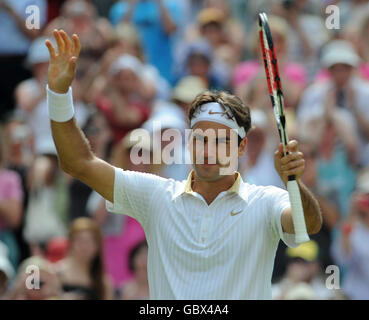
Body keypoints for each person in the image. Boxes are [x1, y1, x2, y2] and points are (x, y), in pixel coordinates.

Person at [45, 30, 322, 299]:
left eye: (221, 140)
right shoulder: (157, 195)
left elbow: (306, 224)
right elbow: (77, 163)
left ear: (241, 147)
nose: (209, 149)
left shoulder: (266, 201)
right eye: (201, 138)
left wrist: (293, 183)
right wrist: (59, 95)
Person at [55, 217, 114, 300]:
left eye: (90, 241)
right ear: (71, 243)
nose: (85, 246)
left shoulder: (104, 282)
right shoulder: (56, 273)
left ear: (98, 246)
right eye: (80, 240)